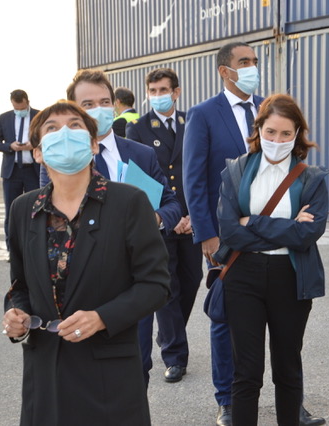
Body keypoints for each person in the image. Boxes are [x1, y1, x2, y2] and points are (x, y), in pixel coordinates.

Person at [1, 100, 171, 425]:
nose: (64, 133)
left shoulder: (129, 201)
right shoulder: (24, 209)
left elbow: (156, 285)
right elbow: (20, 284)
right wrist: (15, 314)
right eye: (52, 128)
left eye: (75, 125)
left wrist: (101, 317)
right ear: (38, 151)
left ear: (94, 144)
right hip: (45, 374)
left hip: (107, 375)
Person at [184, 42, 324, 426]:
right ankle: (226, 402)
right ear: (224, 70)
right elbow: (196, 181)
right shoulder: (204, 116)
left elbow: (308, 233)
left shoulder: (272, 109)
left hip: (284, 270)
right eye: (243, 62)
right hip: (233, 254)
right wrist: (211, 235)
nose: (252, 68)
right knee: (235, 347)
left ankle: (290, 409)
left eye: (254, 62)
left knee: (286, 362)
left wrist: (254, 226)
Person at [215, 93, 329, 426]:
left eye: (285, 134)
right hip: (244, 277)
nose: (277, 140)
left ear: (297, 134)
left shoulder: (311, 178)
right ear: (258, 129)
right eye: (270, 132)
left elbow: (308, 235)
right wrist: (288, 226)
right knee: (247, 373)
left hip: (290, 277)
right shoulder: (236, 171)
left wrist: (251, 221)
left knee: (287, 369)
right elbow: (229, 232)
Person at [126, 67, 203, 385]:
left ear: (177, 92)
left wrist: (192, 217)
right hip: (161, 219)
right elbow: (142, 180)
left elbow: (200, 170)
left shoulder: (193, 121)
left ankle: (172, 336)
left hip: (193, 219)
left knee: (192, 279)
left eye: (163, 90)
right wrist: (172, 215)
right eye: (152, 90)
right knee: (168, 288)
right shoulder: (139, 129)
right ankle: (175, 355)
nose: (157, 96)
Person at [0, 90, 40, 251]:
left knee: (36, 209)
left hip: (33, 170)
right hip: (12, 172)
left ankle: (34, 248)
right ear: (12, 104)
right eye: (16, 107)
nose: (19, 110)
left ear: (28, 102)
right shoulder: (5, 118)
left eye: (22, 107)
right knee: (11, 211)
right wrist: (9, 146)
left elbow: (48, 138)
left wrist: (34, 145)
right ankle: (12, 251)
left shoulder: (39, 116)